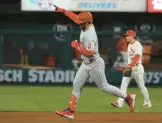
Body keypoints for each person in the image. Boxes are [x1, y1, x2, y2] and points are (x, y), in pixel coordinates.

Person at [54, 5, 136, 119]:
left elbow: (91, 52)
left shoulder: (90, 34)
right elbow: (76, 18)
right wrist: (62, 10)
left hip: (94, 63)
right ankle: (70, 111)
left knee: (104, 87)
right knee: (77, 84)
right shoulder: (86, 24)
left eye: (81, 22)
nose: (79, 24)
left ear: (87, 22)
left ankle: (128, 97)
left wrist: (77, 47)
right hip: (86, 63)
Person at [111, 30, 152, 108]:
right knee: (123, 86)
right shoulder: (129, 44)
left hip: (137, 68)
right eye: (126, 35)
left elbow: (137, 57)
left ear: (132, 36)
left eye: (127, 35)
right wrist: (128, 66)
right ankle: (120, 103)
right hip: (130, 69)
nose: (126, 37)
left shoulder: (138, 45)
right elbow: (130, 58)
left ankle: (147, 103)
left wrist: (130, 66)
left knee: (142, 87)